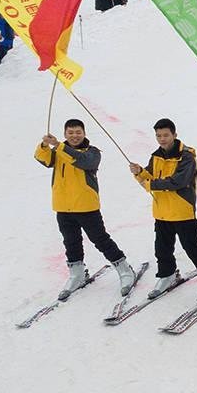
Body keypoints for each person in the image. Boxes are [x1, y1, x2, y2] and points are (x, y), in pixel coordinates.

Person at [35, 119, 138, 298]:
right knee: (71, 241)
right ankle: (77, 274)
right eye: (70, 132)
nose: (74, 136)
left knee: (100, 240)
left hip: (86, 206)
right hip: (63, 207)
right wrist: (44, 145)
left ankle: (124, 269)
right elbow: (43, 159)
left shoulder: (92, 152)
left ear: (84, 133)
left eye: (78, 132)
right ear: (65, 133)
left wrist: (59, 145)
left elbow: (81, 161)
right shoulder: (58, 152)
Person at [129, 118, 197, 302]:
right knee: (162, 248)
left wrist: (150, 183)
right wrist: (139, 172)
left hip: (182, 211)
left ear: (174, 134)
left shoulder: (187, 156)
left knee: (192, 248)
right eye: (158, 136)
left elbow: (179, 181)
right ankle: (167, 275)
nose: (162, 139)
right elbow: (149, 177)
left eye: (166, 135)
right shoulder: (156, 155)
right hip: (161, 212)